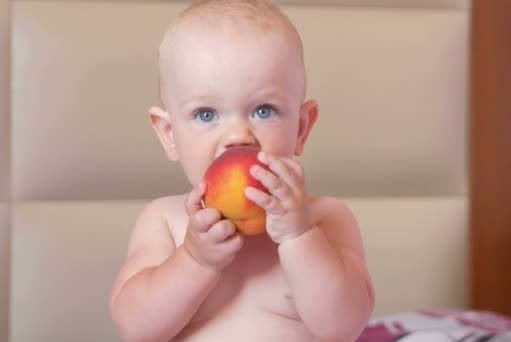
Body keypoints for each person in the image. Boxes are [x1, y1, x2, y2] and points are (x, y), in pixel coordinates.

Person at [109, 1, 374, 340]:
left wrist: (299, 236)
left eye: (264, 111)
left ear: (301, 128)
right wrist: (194, 260)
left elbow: (344, 327)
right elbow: (135, 328)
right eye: (206, 114)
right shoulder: (165, 221)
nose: (237, 137)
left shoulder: (326, 219)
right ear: (169, 134)